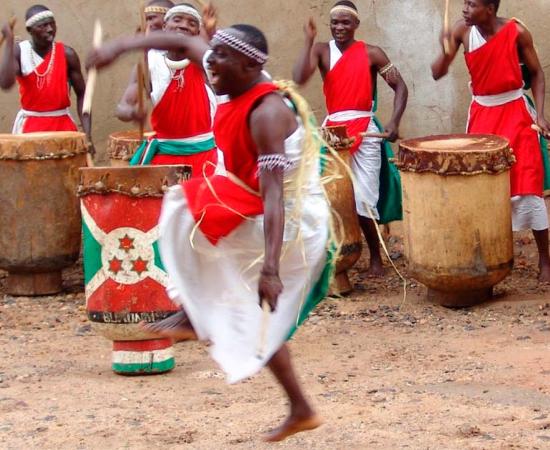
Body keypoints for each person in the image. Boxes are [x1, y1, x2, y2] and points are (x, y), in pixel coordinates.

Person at [87, 23, 335, 442]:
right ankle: (299, 405)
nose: (210, 62)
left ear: (251, 64)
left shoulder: (267, 113)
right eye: (212, 54)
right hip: (249, 197)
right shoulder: (227, 73)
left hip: (290, 220)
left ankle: (199, 317)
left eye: (221, 56)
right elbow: (183, 42)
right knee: (185, 205)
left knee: (198, 223)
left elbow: (275, 197)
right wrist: (119, 45)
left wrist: (271, 269)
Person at [431, 0, 550, 282]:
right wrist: (445, 50)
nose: (464, 9)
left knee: (527, 183)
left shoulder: (517, 31)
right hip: (483, 116)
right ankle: (487, 259)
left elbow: (536, 73)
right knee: (483, 188)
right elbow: (437, 73)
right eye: (464, 3)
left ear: (490, 9)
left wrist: (542, 116)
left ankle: (545, 258)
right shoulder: (461, 31)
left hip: (517, 113)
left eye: (471, 4)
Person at [292, 0, 408, 277]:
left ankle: (376, 259)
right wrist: (307, 42)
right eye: (334, 22)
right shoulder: (321, 50)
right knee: (330, 194)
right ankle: (335, 259)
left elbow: (400, 86)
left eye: (345, 22)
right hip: (333, 130)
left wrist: (393, 122)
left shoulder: (372, 53)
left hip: (365, 130)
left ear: (356, 25)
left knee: (364, 196)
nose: (339, 27)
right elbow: (298, 77)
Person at [116, 4, 217, 174]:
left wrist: (211, 32)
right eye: (177, 20)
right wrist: (132, 113)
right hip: (164, 159)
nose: (183, 25)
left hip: (205, 158)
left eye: (192, 23)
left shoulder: (205, 63)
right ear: (164, 26)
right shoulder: (149, 63)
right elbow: (122, 108)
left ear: (197, 33)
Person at [0, 4, 92, 145]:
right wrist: (9, 42)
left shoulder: (67, 54)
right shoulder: (20, 51)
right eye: (42, 26)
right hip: (30, 131)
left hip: (63, 128)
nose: (50, 29)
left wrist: (87, 135)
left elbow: (82, 95)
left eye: (52, 24)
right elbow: (5, 83)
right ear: (30, 30)